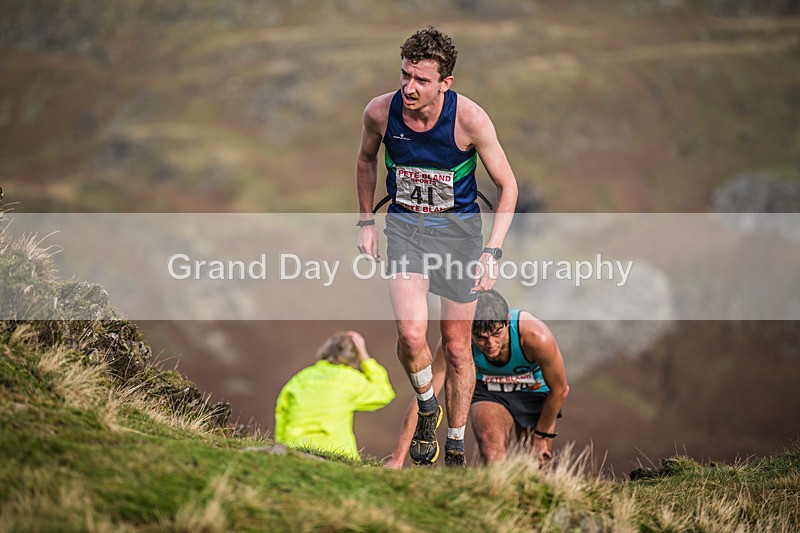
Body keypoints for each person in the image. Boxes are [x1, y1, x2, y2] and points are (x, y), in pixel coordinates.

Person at [356, 27, 518, 467]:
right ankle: (428, 407)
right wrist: (367, 220)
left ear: (446, 83)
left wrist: (493, 251)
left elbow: (508, 186)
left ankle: (456, 441)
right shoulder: (379, 112)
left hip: (459, 238)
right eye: (405, 75)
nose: (409, 87)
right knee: (411, 335)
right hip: (406, 228)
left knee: (458, 347)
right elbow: (366, 159)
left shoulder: (470, 119)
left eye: (422, 80)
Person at [385, 290, 569, 468]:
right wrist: (397, 458)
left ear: (507, 320)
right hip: (490, 393)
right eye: (481, 338)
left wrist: (540, 436)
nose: (490, 345)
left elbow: (560, 390)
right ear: (468, 328)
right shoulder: (457, 341)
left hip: (533, 391)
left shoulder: (535, 336)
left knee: (535, 463)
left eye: (497, 334)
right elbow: (426, 395)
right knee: (492, 456)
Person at [274, 331, 395, 459]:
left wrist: (281, 443)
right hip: (335, 451)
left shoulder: (301, 377)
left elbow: (282, 411)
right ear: (355, 357)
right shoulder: (352, 380)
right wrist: (365, 356)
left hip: (294, 446)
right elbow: (384, 392)